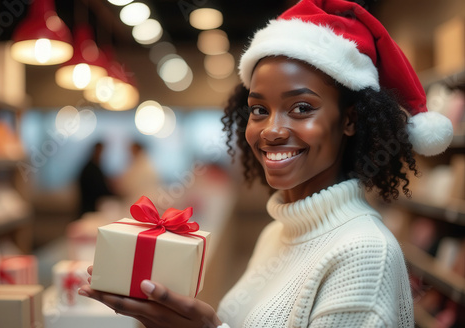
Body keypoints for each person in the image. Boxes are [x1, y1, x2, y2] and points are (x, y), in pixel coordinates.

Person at [78, 0, 454, 327]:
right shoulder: (277, 232)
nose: (271, 130)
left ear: (352, 119)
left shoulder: (364, 253)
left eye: (301, 108)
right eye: (259, 109)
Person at [77, 141, 115, 216]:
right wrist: (115, 194)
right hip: (90, 206)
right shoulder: (91, 168)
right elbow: (99, 187)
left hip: (90, 204)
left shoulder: (92, 166)